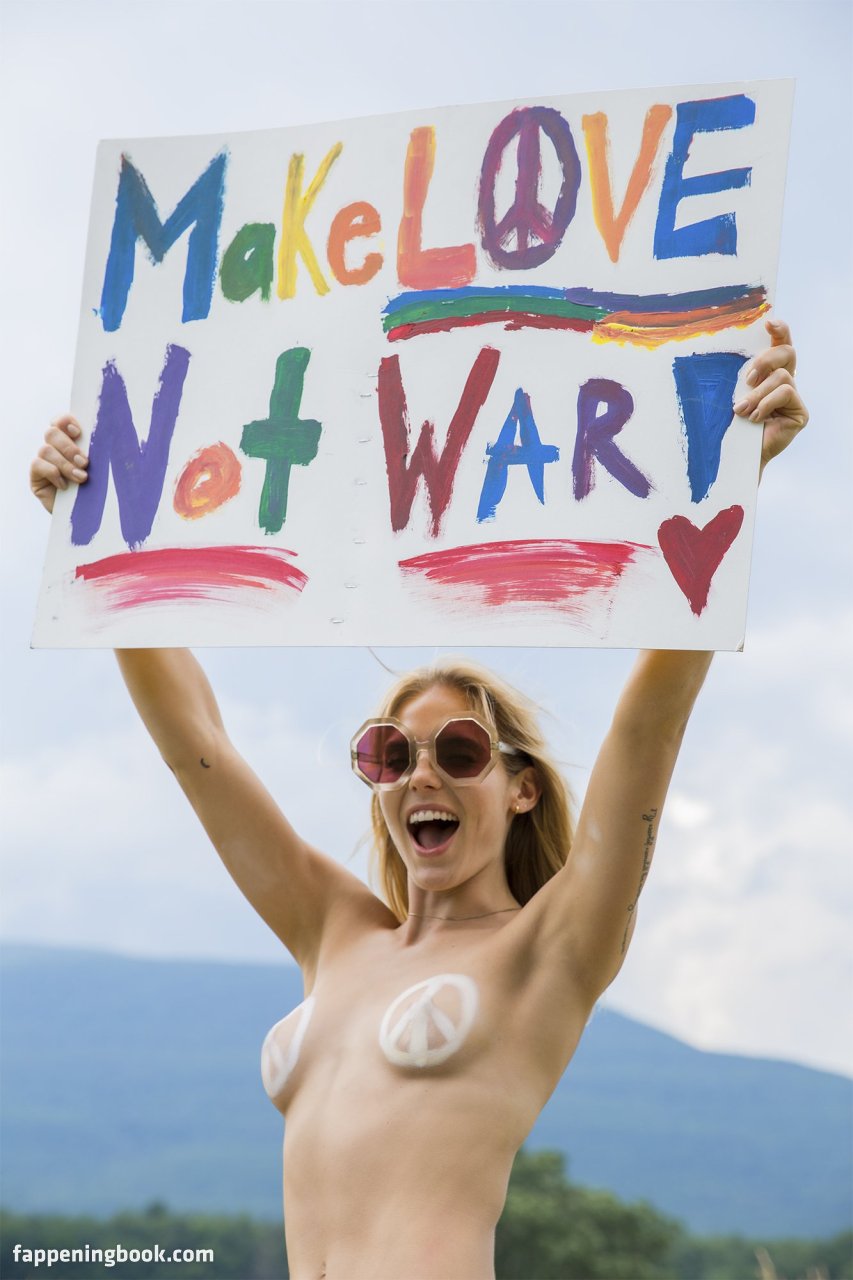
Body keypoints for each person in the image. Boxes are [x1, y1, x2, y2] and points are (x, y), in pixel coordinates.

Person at [31, 319, 808, 1280]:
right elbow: (200, 751)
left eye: (461, 751)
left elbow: (646, 731)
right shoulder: (333, 930)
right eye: (391, 754)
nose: (421, 776)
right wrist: (95, 531)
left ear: (521, 788)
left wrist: (735, 478)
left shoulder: (549, 948)